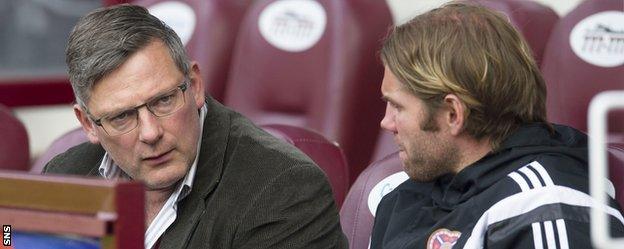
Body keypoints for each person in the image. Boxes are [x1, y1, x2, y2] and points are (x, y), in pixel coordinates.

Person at [43, 4, 347, 249]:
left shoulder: (283, 190)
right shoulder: (64, 175)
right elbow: (9, 238)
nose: (150, 133)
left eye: (163, 101)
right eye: (122, 117)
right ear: (88, 124)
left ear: (196, 85)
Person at [371, 2, 624, 248]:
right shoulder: (401, 198)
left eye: (397, 106)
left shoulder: (544, 207)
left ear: (453, 114)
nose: (386, 122)